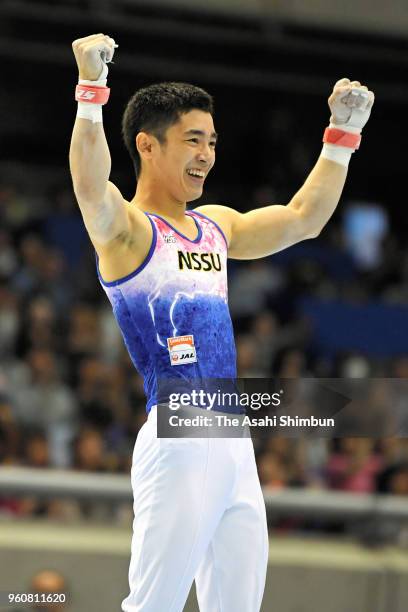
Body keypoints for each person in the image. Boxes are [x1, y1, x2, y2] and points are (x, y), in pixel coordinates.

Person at [69, 33, 374, 612]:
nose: (207, 154)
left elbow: (302, 220)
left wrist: (342, 138)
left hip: (234, 440)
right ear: (148, 146)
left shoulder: (215, 227)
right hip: (181, 430)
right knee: (153, 605)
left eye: (211, 141)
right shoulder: (128, 231)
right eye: (192, 140)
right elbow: (89, 185)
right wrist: (91, 91)